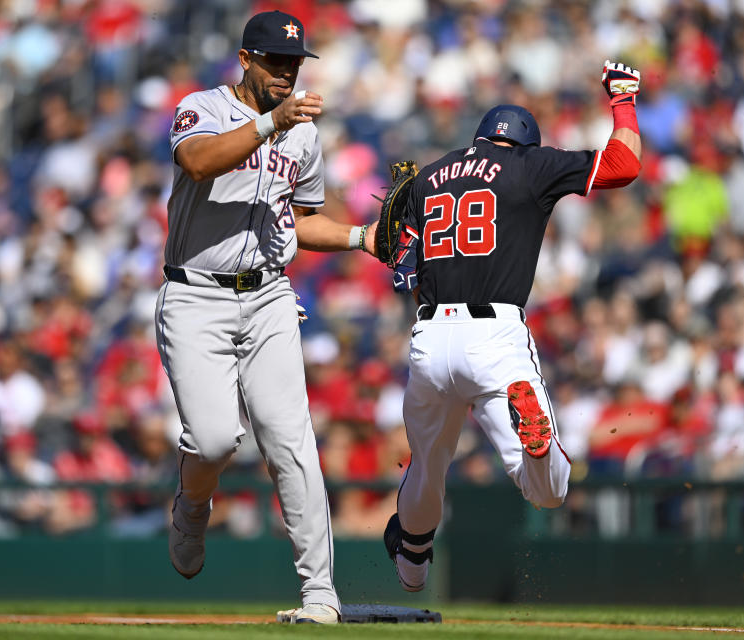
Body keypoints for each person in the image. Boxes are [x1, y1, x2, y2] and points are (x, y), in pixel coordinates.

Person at [383, 61, 643, 592]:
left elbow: (399, 261)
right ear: (524, 141)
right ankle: (540, 447)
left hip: (430, 337)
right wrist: (622, 99)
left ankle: (412, 562)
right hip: (494, 334)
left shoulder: (429, 175)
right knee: (547, 491)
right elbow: (624, 165)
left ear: (480, 136)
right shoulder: (531, 165)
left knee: (426, 471)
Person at [155, 11, 377, 624]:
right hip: (196, 293)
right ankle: (192, 506)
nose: (288, 73)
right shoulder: (202, 106)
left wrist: (362, 235)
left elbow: (300, 221)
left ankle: (320, 593)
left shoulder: (302, 134)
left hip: (269, 297)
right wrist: (269, 123)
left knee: (290, 439)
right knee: (214, 438)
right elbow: (198, 162)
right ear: (247, 59)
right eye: (277, 62)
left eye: (295, 63)